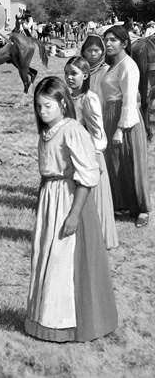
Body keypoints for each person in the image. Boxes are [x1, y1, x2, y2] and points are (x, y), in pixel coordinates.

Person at [26, 76, 117, 343]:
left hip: (69, 200)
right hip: (50, 199)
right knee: (45, 257)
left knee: (63, 263)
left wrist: (74, 214)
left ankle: (66, 323)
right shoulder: (46, 132)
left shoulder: (73, 131)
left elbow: (88, 175)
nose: (42, 112)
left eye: (48, 106)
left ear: (63, 104)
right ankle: (45, 318)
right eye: (39, 107)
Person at [64, 56, 118, 250]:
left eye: (74, 74)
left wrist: (92, 158)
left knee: (93, 199)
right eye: (67, 73)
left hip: (90, 157)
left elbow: (98, 132)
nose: (69, 77)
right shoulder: (69, 98)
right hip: (74, 155)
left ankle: (97, 239)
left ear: (85, 75)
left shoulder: (89, 99)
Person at [99, 26, 150, 228]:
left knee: (131, 163)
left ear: (125, 43)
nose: (108, 43)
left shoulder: (128, 66)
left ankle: (142, 208)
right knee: (115, 163)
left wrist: (120, 128)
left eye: (113, 40)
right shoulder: (113, 64)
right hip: (110, 116)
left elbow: (129, 100)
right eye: (106, 39)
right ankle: (122, 203)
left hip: (124, 119)